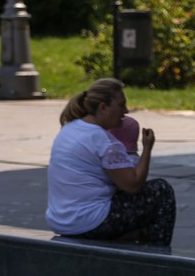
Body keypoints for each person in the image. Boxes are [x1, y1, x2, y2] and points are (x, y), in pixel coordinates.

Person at [46, 78, 176, 246]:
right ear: (103, 107)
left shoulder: (70, 128)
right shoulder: (104, 141)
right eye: (121, 105)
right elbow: (133, 184)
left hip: (60, 219)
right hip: (90, 222)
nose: (126, 111)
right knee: (161, 191)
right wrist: (147, 148)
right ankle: (157, 256)